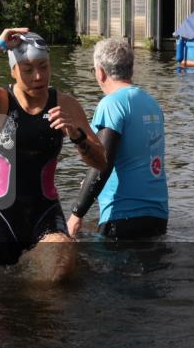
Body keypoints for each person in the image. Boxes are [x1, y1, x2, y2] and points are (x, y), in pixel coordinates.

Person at [0, 28, 106, 268]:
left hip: (44, 212)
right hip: (1, 217)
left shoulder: (65, 104)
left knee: (60, 266)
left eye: (44, 67)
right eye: (28, 70)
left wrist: (77, 136)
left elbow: (101, 162)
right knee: (2, 294)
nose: (38, 76)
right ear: (13, 71)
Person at [67, 38, 169, 240]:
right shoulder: (151, 103)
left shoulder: (111, 104)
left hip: (122, 216)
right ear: (130, 69)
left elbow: (102, 163)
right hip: (158, 214)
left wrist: (76, 213)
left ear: (100, 72)